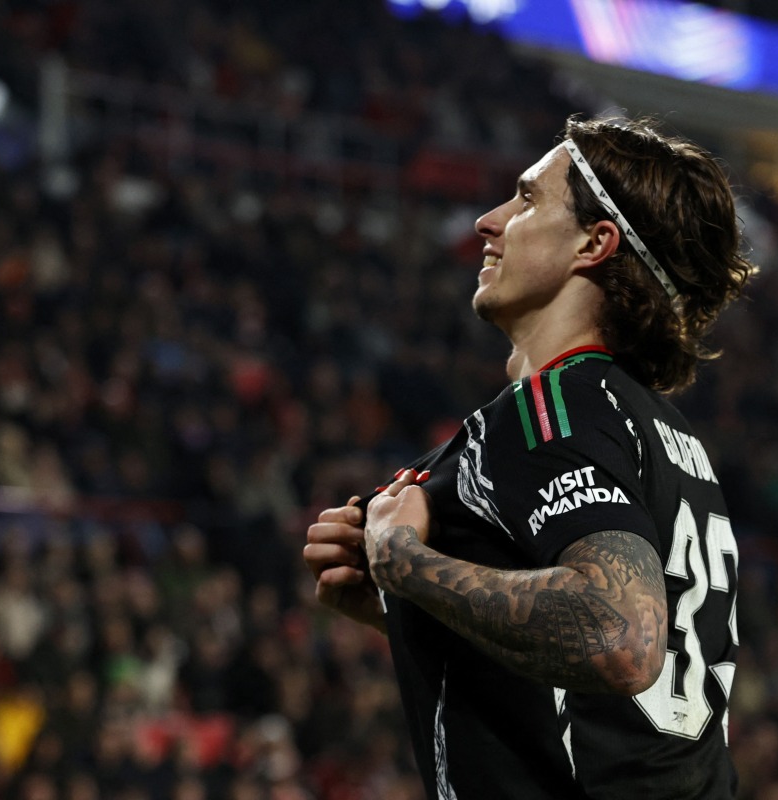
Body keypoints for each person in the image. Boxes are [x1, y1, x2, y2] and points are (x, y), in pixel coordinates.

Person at [304, 115, 753, 798]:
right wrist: (408, 606)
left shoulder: (552, 407)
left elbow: (618, 638)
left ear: (595, 243)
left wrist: (406, 562)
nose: (489, 221)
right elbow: (597, 695)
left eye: (526, 199)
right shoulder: (662, 432)